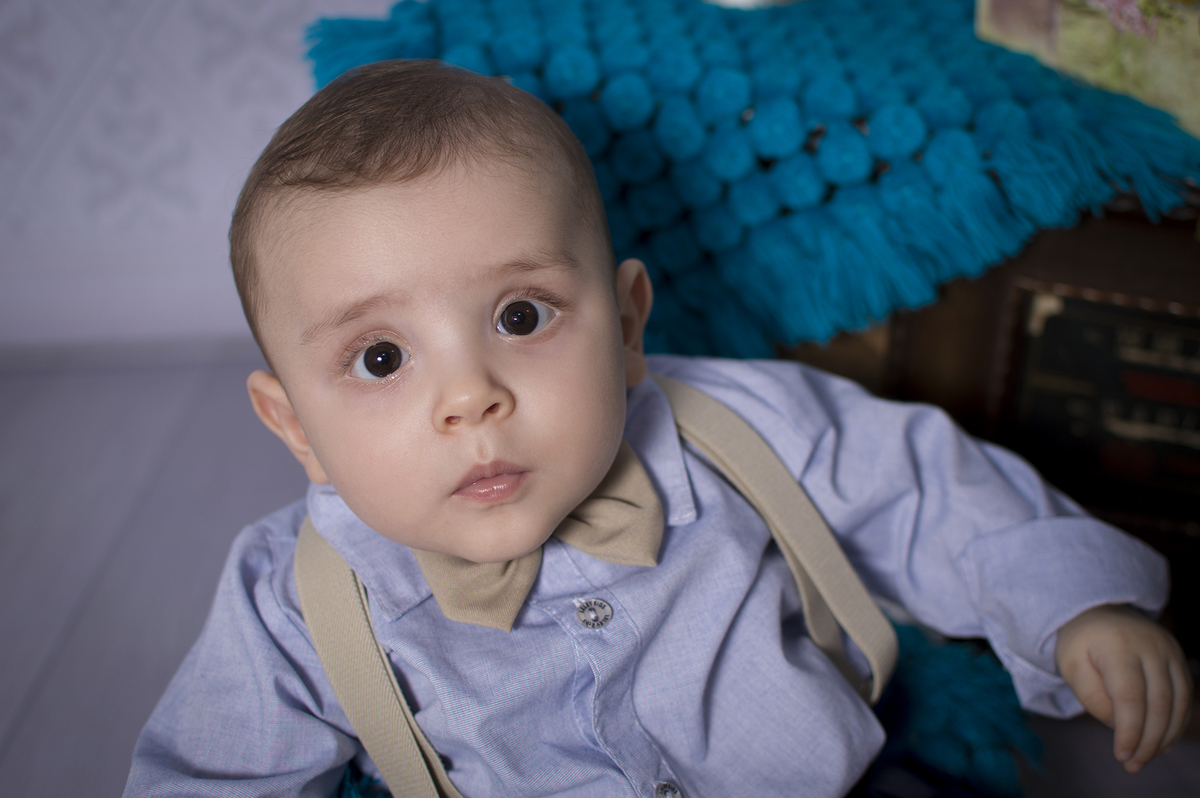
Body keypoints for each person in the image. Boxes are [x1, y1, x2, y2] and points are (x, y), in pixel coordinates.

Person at [124, 60, 1191, 797]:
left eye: (521, 316)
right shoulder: (290, 598)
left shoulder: (730, 427)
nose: (471, 397)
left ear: (629, 324)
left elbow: (914, 485)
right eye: (381, 358)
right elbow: (211, 770)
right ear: (292, 422)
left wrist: (1073, 606)